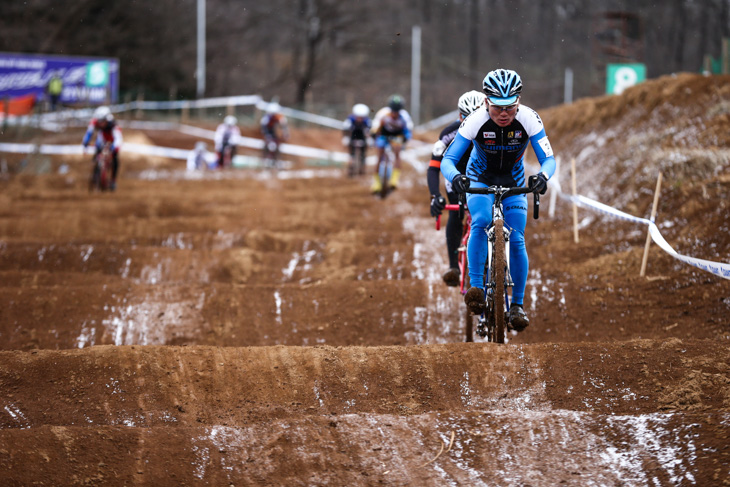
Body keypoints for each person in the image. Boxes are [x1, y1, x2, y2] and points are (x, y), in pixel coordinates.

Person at [440, 69, 556, 331]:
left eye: (510, 107)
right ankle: (477, 290)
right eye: (497, 108)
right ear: (485, 103)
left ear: (519, 102)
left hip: (514, 180)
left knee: (516, 237)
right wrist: (456, 177)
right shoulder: (475, 121)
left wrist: (543, 176)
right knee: (480, 221)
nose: (504, 114)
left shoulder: (529, 118)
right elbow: (448, 159)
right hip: (479, 177)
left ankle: (516, 306)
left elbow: (548, 159)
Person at [428, 90, 484, 287]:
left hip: (483, 175)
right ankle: (453, 266)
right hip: (457, 176)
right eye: (466, 118)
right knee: (455, 212)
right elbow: (434, 167)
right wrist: (435, 195)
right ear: (460, 116)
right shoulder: (448, 134)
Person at [369, 94, 413, 193]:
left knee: (397, 152)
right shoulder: (383, 113)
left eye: (397, 111)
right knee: (379, 156)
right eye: (393, 111)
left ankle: (394, 179)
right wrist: (373, 134)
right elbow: (375, 127)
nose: (395, 113)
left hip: (397, 136)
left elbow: (408, 129)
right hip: (384, 134)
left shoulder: (404, 116)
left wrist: (406, 139)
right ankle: (376, 182)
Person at [82, 105, 123, 190]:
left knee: (115, 158)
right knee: (98, 149)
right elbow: (89, 133)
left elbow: (118, 139)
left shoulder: (114, 125)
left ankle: (113, 180)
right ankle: (96, 168)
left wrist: (114, 149)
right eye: (99, 121)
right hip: (102, 139)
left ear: (107, 119)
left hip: (112, 140)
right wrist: (85, 142)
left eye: (102, 121)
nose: (100, 123)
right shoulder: (94, 122)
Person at [342, 103, 372, 176]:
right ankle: (351, 164)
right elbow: (345, 130)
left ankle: (362, 165)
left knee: (363, 152)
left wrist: (369, 139)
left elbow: (369, 131)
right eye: (358, 117)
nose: (359, 119)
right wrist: (346, 138)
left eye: (361, 117)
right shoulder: (350, 119)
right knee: (351, 151)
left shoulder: (367, 121)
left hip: (362, 135)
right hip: (353, 135)